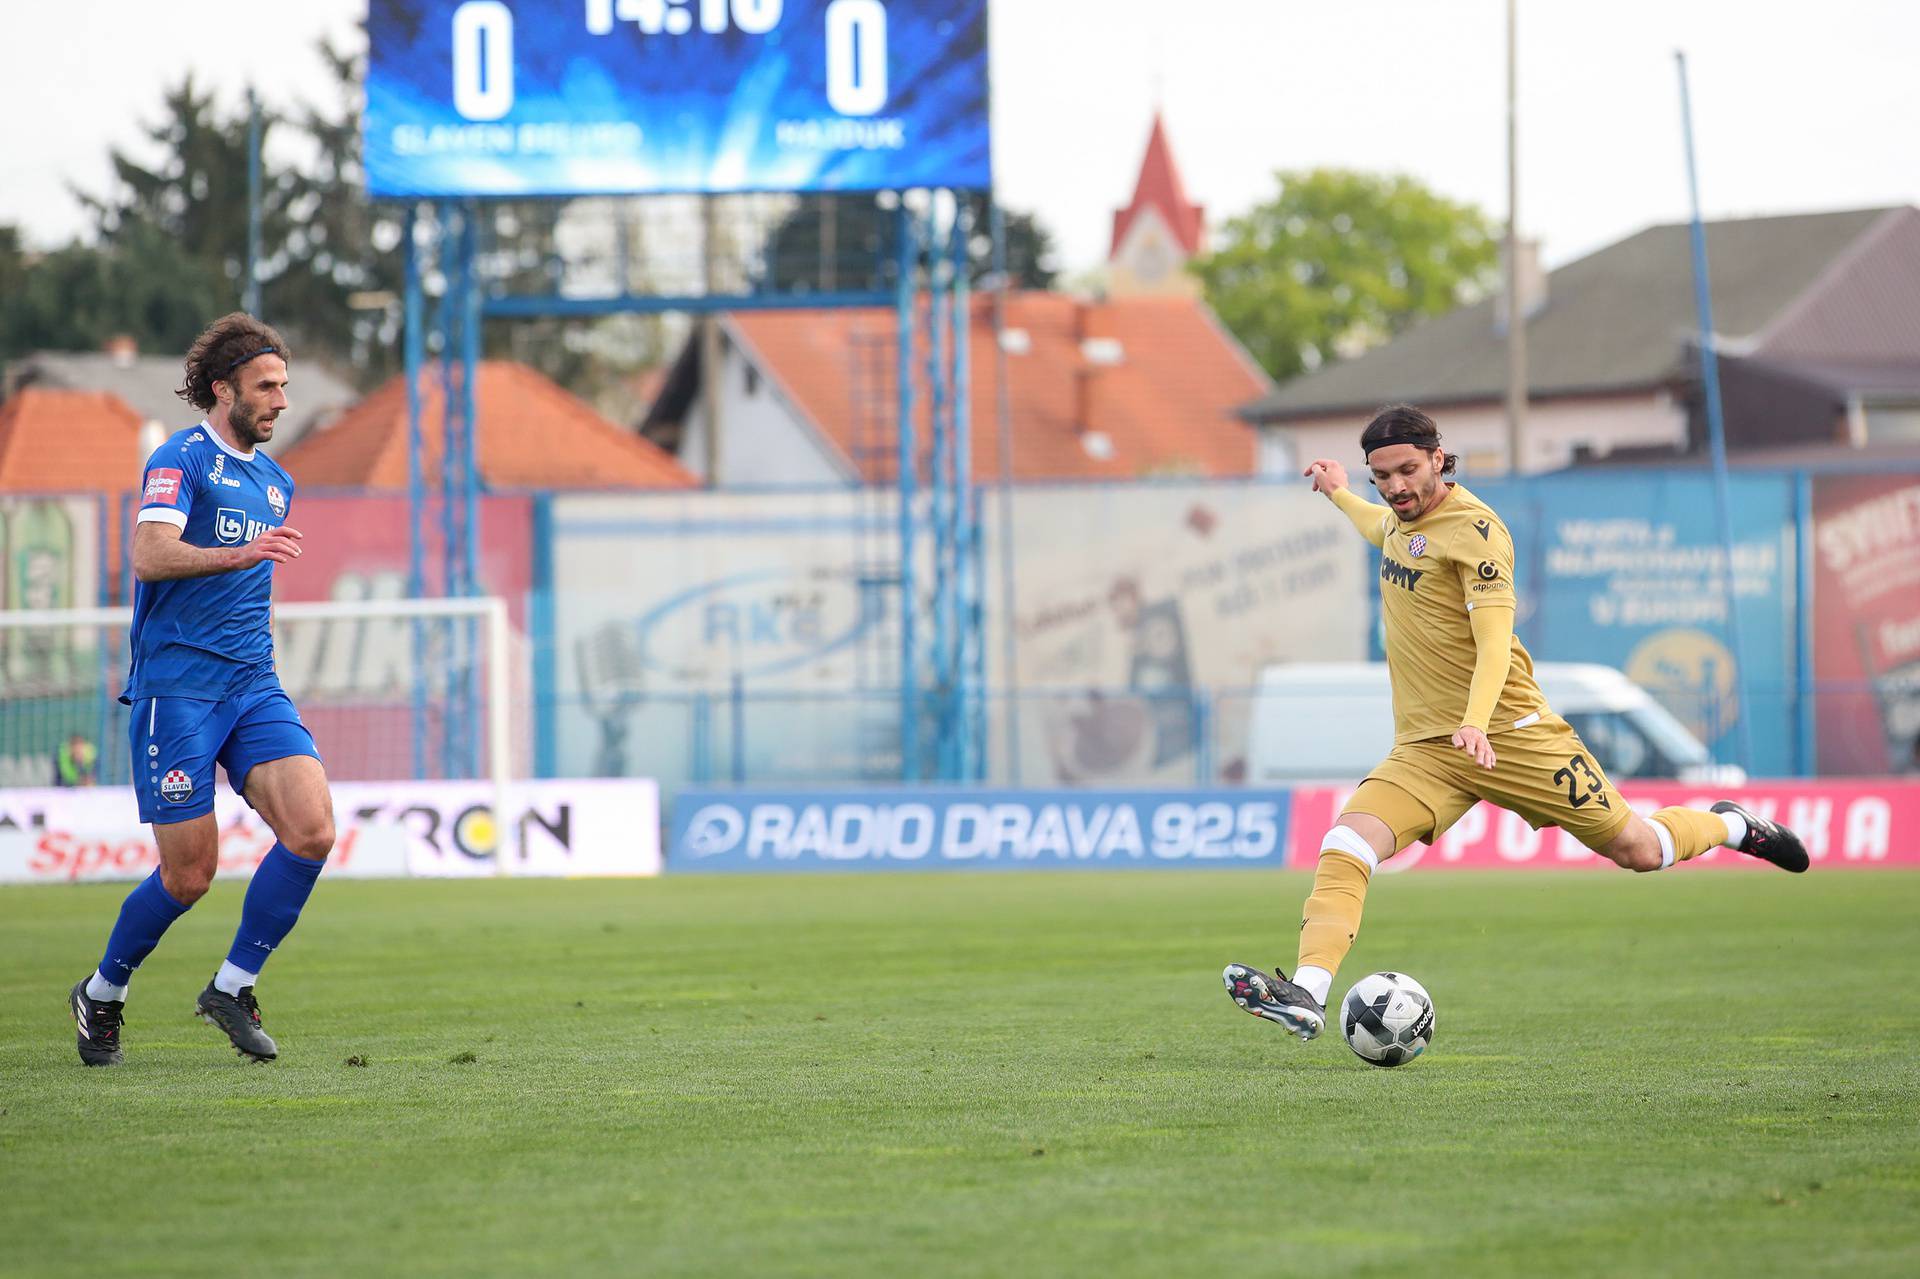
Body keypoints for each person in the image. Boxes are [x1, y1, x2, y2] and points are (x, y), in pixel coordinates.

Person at [1224, 404, 1807, 1041]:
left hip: (1514, 737)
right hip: (1426, 749)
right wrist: (1338, 491)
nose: (1395, 488)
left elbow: (1496, 642)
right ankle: (1305, 994)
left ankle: (1731, 823)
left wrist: (1476, 722)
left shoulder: (1476, 530)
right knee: (1346, 845)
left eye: (1407, 471)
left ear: (1439, 458)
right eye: (1381, 476)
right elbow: (1380, 531)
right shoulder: (1399, 522)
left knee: (1640, 849)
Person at [68, 313, 333, 1066]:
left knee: (311, 829)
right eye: (267, 386)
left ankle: (231, 985)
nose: (281, 400)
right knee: (190, 875)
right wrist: (243, 550)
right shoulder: (179, 458)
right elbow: (150, 554)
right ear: (224, 389)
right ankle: (103, 992)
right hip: (178, 688)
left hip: (253, 682)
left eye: (284, 385)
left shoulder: (277, 482)